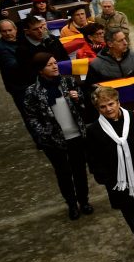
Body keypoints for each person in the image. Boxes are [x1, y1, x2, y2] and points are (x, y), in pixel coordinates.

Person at [85, 86, 134, 250]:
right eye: (103, 107)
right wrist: (104, 177)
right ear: (98, 109)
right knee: (128, 206)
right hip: (116, 177)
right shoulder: (93, 130)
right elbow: (93, 156)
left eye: (111, 104)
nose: (108, 109)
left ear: (118, 102)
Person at [23, 52, 93, 220]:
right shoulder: (32, 92)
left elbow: (84, 102)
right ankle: (72, 204)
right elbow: (31, 117)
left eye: (55, 63)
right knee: (63, 173)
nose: (55, 66)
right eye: (49, 65)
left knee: (80, 171)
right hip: (53, 140)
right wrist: (43, 133)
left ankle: (84, 201)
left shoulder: (68, 82)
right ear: (40, 70)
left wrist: (78, 97)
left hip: (76, 135)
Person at [0, 20, 37, 143]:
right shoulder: (1, 48)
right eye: (4, 31)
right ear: (0, 32)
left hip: (30, 81)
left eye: (10, 30)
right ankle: (39, 141)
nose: (8, 33)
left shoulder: (20, 39)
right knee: (29, 114)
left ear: (15, 30)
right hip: (19, 87)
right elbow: (13, 67)